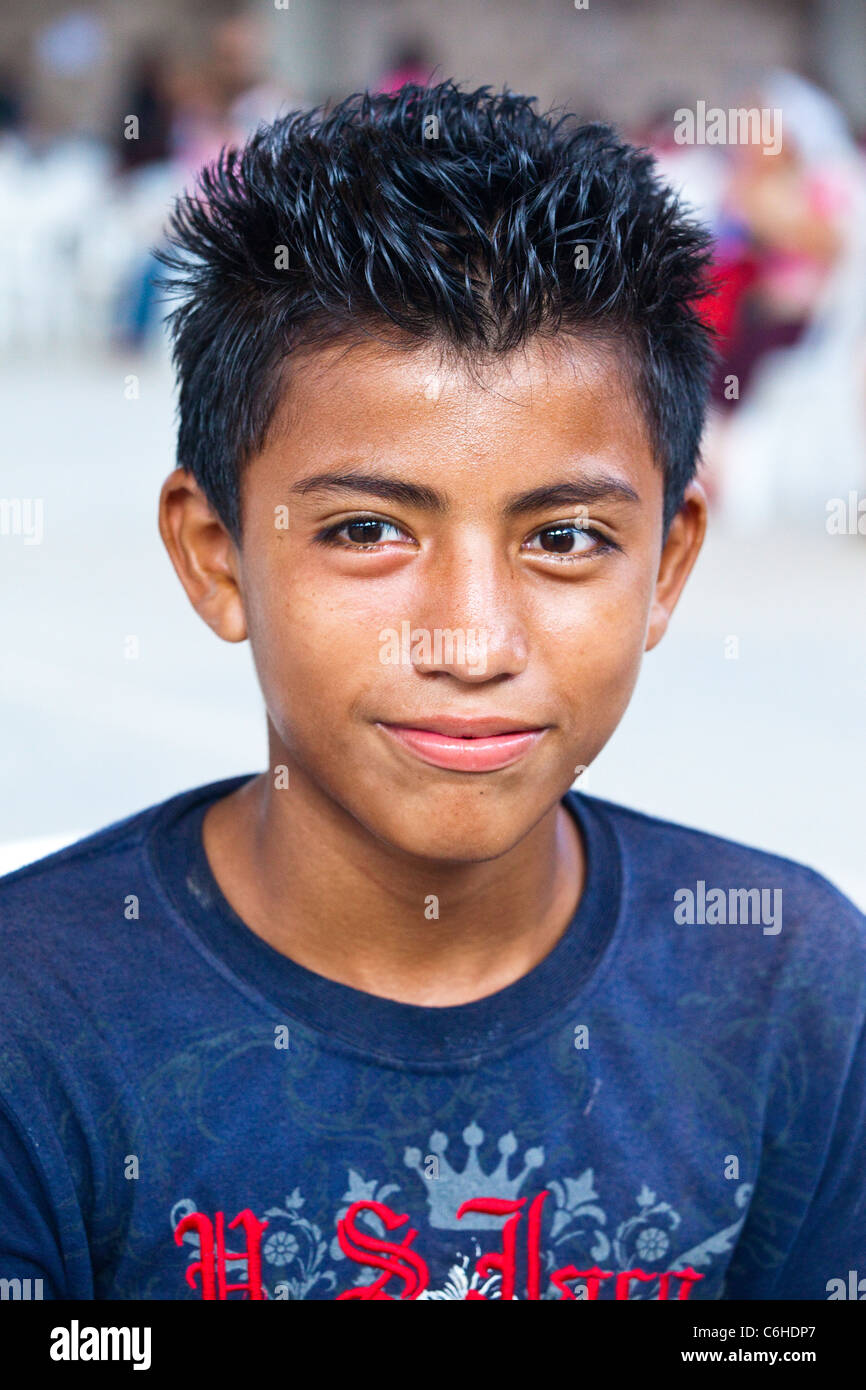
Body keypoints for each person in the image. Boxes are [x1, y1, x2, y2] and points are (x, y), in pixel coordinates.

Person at [1, 83, 863, 1302]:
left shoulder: (791, 989)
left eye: (563, 538)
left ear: (665, 566)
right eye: (368, 528)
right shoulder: (36, 1017)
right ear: (214, 552)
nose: (471, 639)